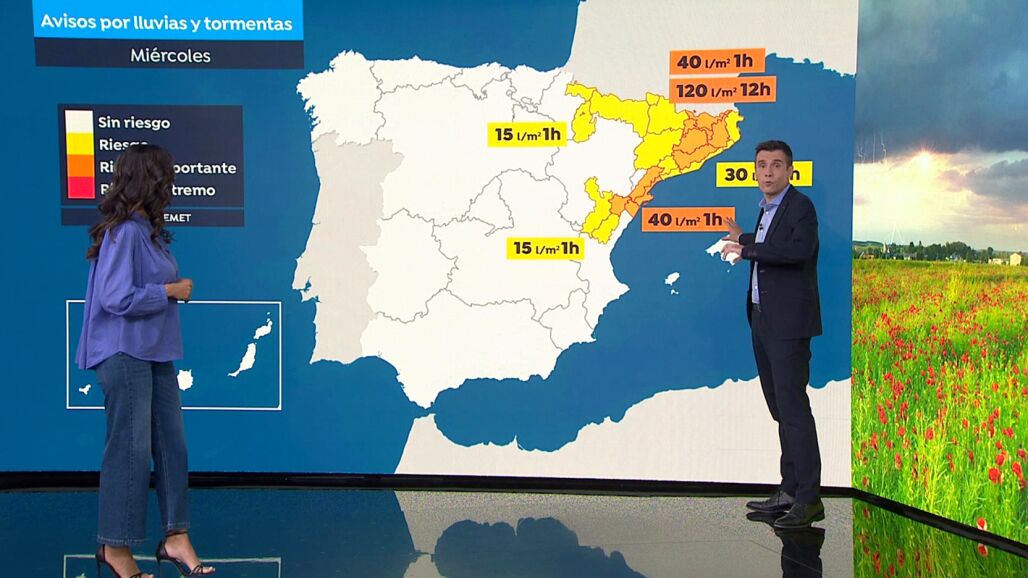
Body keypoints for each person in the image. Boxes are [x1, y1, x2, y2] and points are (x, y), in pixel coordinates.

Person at [75, 144, 214, 577]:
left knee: (172, 444)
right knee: (130, 450)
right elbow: (115, 298)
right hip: (123, 352)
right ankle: (115, 548)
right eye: (166, 176)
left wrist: (167, 291)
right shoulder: (124, 233)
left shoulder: (146, 232)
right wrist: (168, 291)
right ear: (151, 180)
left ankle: (176, 537)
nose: (171, 184)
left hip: (155, 353)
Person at [720, 140, 824, 530]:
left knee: (794, 411)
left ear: (790, 171)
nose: (768, 171)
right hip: (763, 320)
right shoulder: (766, 209)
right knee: (780, 409)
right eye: (762, 165)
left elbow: (797, 251)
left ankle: (810, 500)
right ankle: (790, 490)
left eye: (776, 165)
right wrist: (745, 238)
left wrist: (746, 251)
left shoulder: (801, 207)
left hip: (789, 326)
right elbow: (772, 244)